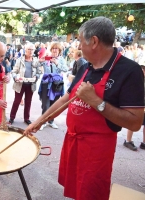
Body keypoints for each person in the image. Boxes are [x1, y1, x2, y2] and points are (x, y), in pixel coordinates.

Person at [24, 17, 144, 200]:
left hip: (97, 152)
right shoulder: (86, 67)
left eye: (80, 41)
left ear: (94, 41)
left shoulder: (130, 71)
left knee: (91, 193)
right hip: (73, 143)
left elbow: (135, 122)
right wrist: (40, 121)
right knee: (76, 191)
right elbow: (66, 98)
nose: (78, 46)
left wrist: (97, 102)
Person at [8, 43, 42, 125]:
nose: (30, 51)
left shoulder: (36, 60)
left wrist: (36, 77)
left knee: (28, 102)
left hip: (30, 85)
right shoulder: (20, 60)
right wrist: (15, 77)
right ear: (25, 50)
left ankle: (26, 118)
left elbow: (39, 72)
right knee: (16, 101)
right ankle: (11, 118)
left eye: (32, 49)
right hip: (20, 84)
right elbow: (14, 71)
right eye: (29, 49)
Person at [124, 61, 145, 151]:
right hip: (136, 104)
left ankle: (144, 143)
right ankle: (128, 141)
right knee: (133, 122)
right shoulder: (135, 79)